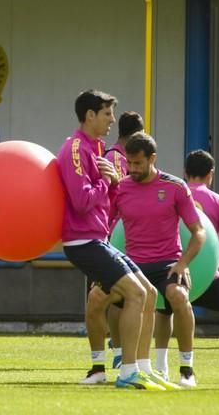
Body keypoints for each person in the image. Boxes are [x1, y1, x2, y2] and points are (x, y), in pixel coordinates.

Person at [58, 91, 166, 390]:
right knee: (135, 295)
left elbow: (107, 202)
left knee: (149, 292)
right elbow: (81, 201)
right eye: (107, 113)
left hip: (99, 239)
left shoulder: (97, 148)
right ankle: (127, 370)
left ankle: (141, 368)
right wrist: (107, 180)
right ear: (90, 115)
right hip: (83, 241)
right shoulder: (76, 148)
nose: (112, 120)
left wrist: (114, 183)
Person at [110, 132, 206, 387]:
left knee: (179, 297)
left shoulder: (175, 186)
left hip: (167, 263)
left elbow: (199, 233)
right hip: (132, 264)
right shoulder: (120, 187)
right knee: (98, 297)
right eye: (129, 163)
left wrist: (182, 264)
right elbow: (103, 223)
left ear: (152, 158)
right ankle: (106, 364)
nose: (132, 169)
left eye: (138, 163)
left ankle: (187, 369)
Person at [153, 150, 219, 384]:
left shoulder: (174, 194)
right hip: (206, 279)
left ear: (185, 172)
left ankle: (160, 369)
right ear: (211, 174)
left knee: (164, 309)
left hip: (172, 273)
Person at [88, 111, 145, 371]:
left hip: (120, 233)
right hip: (111, 234)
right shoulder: (115, 158)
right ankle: (116, 350)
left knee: (118, 296)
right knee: (108, 296)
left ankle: (119, 351)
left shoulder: (117, 156)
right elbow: (119, 193)